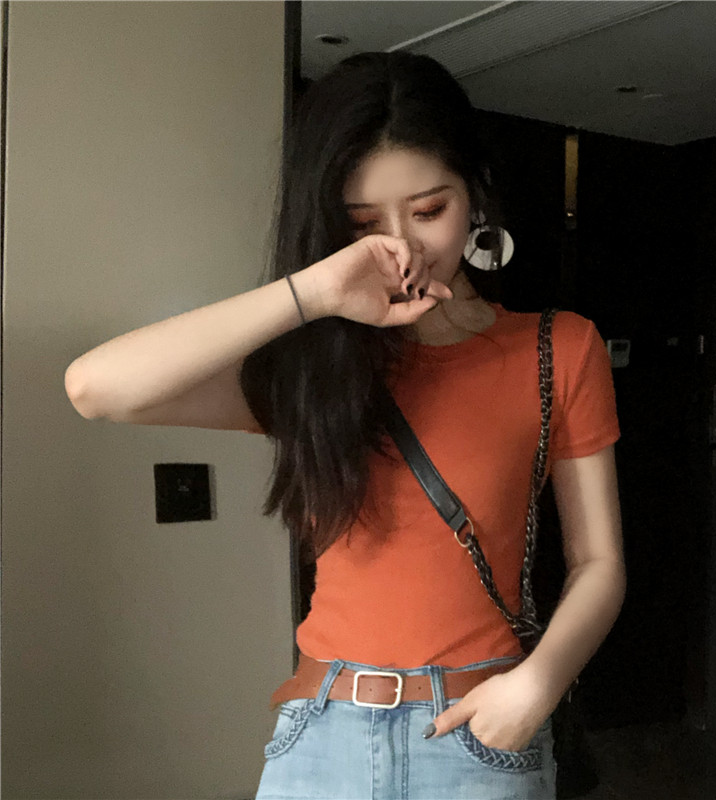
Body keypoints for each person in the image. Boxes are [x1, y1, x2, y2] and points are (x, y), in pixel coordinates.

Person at [64, 51, 625, 800]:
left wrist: (539, 686)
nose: (402, 249)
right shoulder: (315, 370)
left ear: (475, 194)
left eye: (428, 211)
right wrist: (316, 291)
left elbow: (599, 562)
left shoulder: (559, 349)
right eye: (363, 225)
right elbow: (96, 388)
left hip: (477, 731)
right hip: (321, 735)